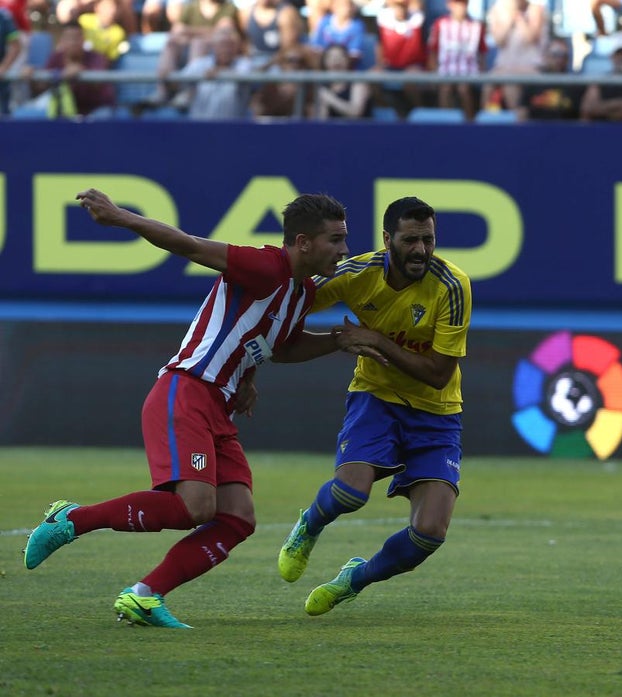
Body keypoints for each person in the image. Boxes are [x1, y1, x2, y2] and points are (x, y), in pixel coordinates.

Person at [22, 188, 355, 628]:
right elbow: (191, 245)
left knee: (238, 518)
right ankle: (73, 519)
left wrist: (330, 344)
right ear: (303, 243)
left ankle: (144, 596)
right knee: (195, 507)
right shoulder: (265, 265)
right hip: (188, 391)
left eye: (344, 238)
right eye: (335, 239)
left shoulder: (302, 294)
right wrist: (121, 217)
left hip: (219, 408)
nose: (344, 249)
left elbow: (278, 345)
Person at [277, 195, 472, 618]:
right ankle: (308, 524)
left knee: (430, 533)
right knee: (350, 492)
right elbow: (287, 301)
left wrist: (378, 341)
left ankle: (354, 578)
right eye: (410, 240)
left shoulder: (452, 287)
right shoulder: (356, 274)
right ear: (388, 239)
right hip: (377, 397)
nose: (421, 250)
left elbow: (439, 373)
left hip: (437, 413)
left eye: (428, 239)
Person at [21, 21, 114, 117]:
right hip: (64, 110)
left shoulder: (97, 58)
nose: (73, 42)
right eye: (69, 38)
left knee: (105, 115)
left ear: (83, 39)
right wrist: (33, 73)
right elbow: (42, 85)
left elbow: (98, 83)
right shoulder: (55, 58)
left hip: (94, 109)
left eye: (77, 37)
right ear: (62, 40)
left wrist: (82, 70)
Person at [427, 0, 486, 120]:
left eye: (464, 4)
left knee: (463, 88)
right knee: (446, 88)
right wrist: (433, 72)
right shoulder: (440, 24)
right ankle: (446, 123)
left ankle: (470, 122)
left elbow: (482, 53)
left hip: (469, 71)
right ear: (450, 5)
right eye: (458, 4)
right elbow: (432, 51)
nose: (461, 7)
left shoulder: (476, 25)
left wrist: (481, 72)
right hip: (445, 71)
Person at [580, 38, 622, 122]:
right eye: (619, 54)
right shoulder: (599, 81)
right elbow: (588, 109)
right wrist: (619, 104)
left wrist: (601, 107)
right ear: (612, 56)